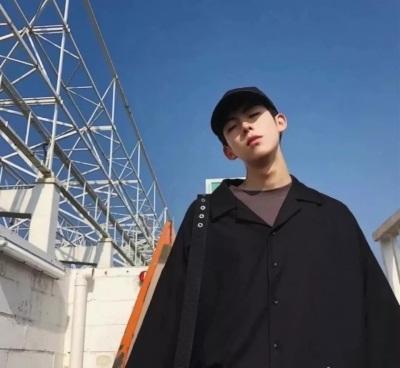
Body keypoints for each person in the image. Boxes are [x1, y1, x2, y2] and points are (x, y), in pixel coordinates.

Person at [127, 86, 400, 368]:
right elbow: (166, 319)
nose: (245, 126)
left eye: (254, 115)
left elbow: (380, 322)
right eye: (232, 127)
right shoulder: (205, 219)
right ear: (228, 151)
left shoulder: (332, 216)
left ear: (280, 121)